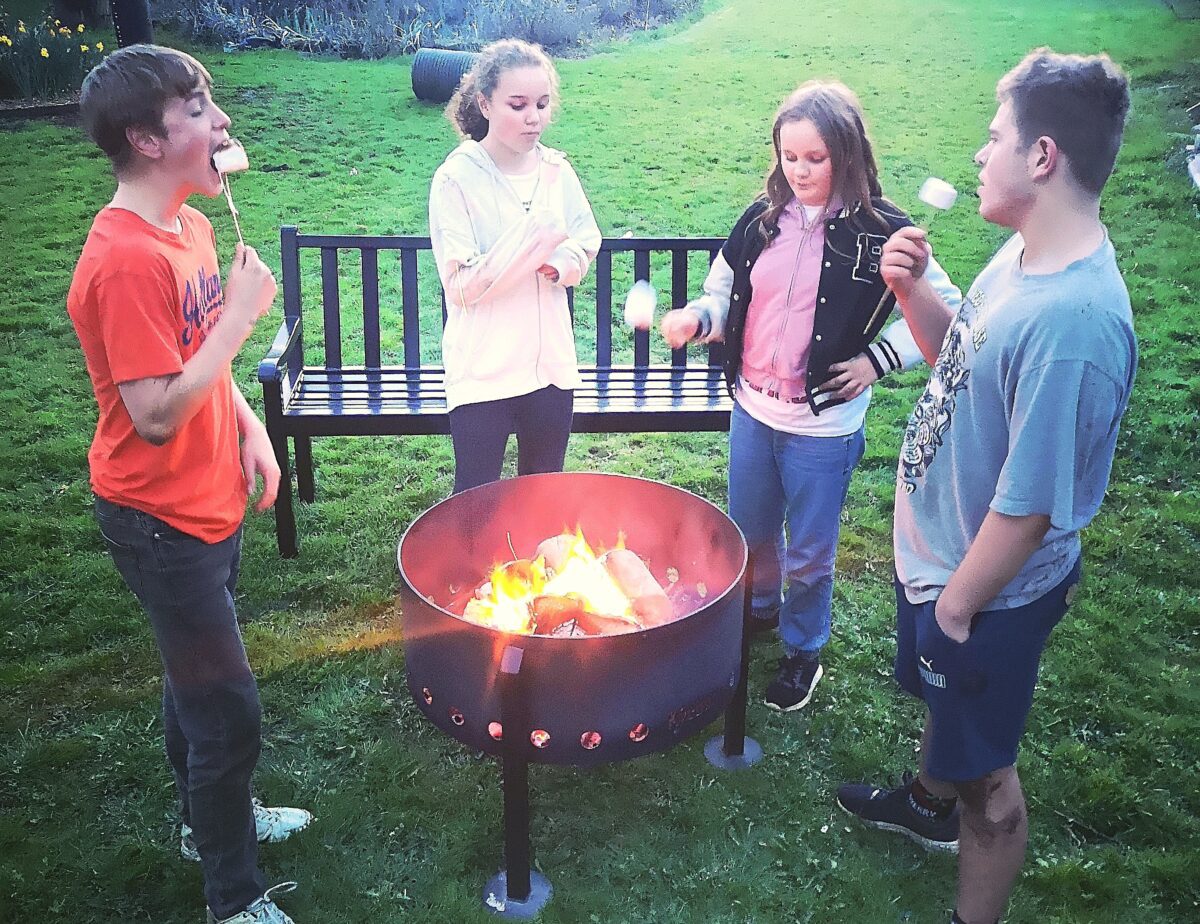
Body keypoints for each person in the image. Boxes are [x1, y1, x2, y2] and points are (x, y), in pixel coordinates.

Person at [836, 50, 1135, 924]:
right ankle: (926, 804)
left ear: (1042, 157)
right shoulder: (1026, 255)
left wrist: (956, 612)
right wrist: (912, 288)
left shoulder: (1072, 322)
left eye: (994, 136)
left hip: (985, 593)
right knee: (953, 726)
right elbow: (960, 364)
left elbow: (1033, 505)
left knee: (990, 783)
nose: (977, 154)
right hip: (945, 562)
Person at [68, 45, 313, 924]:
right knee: (226, 710)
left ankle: (206, 825)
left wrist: (250, 427)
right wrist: (244, 320)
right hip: (158, 521)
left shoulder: (192, 228)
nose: (223, 124)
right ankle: (233, 896)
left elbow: (201, 362)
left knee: (192, 683)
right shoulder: (127, 261)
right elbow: (156, 414)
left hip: (211, 500)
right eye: (202, 108)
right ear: (145, 136)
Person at [659, 81, 960, 711]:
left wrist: (879, 359)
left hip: (823, 427)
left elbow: (949, 313)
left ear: (847, 155)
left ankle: (802, 648)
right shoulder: (761, 220)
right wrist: (697, 319)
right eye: (789, 156)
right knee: (751, 532)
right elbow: (721, 292)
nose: (799, 170)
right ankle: (759, 611)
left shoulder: (887, 232)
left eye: (815, 158)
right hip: (753, 411)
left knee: (812, 551)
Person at [429, 39, 602, 494]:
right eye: (518, 104)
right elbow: (460, 286)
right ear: (484, 104)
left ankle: (535, 567)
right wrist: (527, 248)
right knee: (476, 494)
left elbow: (586, 240)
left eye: (542, 105)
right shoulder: (457, 177)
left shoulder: (557, 172)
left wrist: (559, 264)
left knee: (542, 493)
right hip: (483, 369)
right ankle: (470, 568)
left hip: (550, 368)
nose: (534, 118)